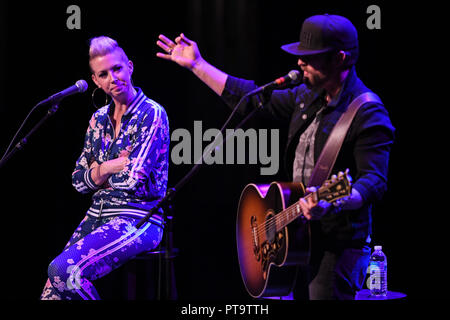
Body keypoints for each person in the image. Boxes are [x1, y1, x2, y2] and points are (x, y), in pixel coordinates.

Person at [156, 14, 394, 300]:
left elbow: (374, 181)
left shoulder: (367, 112)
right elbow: (249, 99)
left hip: (336, 245)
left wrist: (338, 200)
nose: (299, 63)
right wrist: (197, 65)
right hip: (295, 236)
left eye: (310, 58)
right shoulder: (307, 96)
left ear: (339, 58)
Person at [40, 36, 170, 300]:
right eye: (104, 74)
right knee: (52, 291)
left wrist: (99, 172)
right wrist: (111, 166)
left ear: (130, 67)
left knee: (63, 271)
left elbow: (133, 179)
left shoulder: (152, 113)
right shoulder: (98, 119)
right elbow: (78, 181)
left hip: (138, 218)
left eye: (117, 68)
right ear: (96, 80)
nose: (113, 78)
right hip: (96, 214)